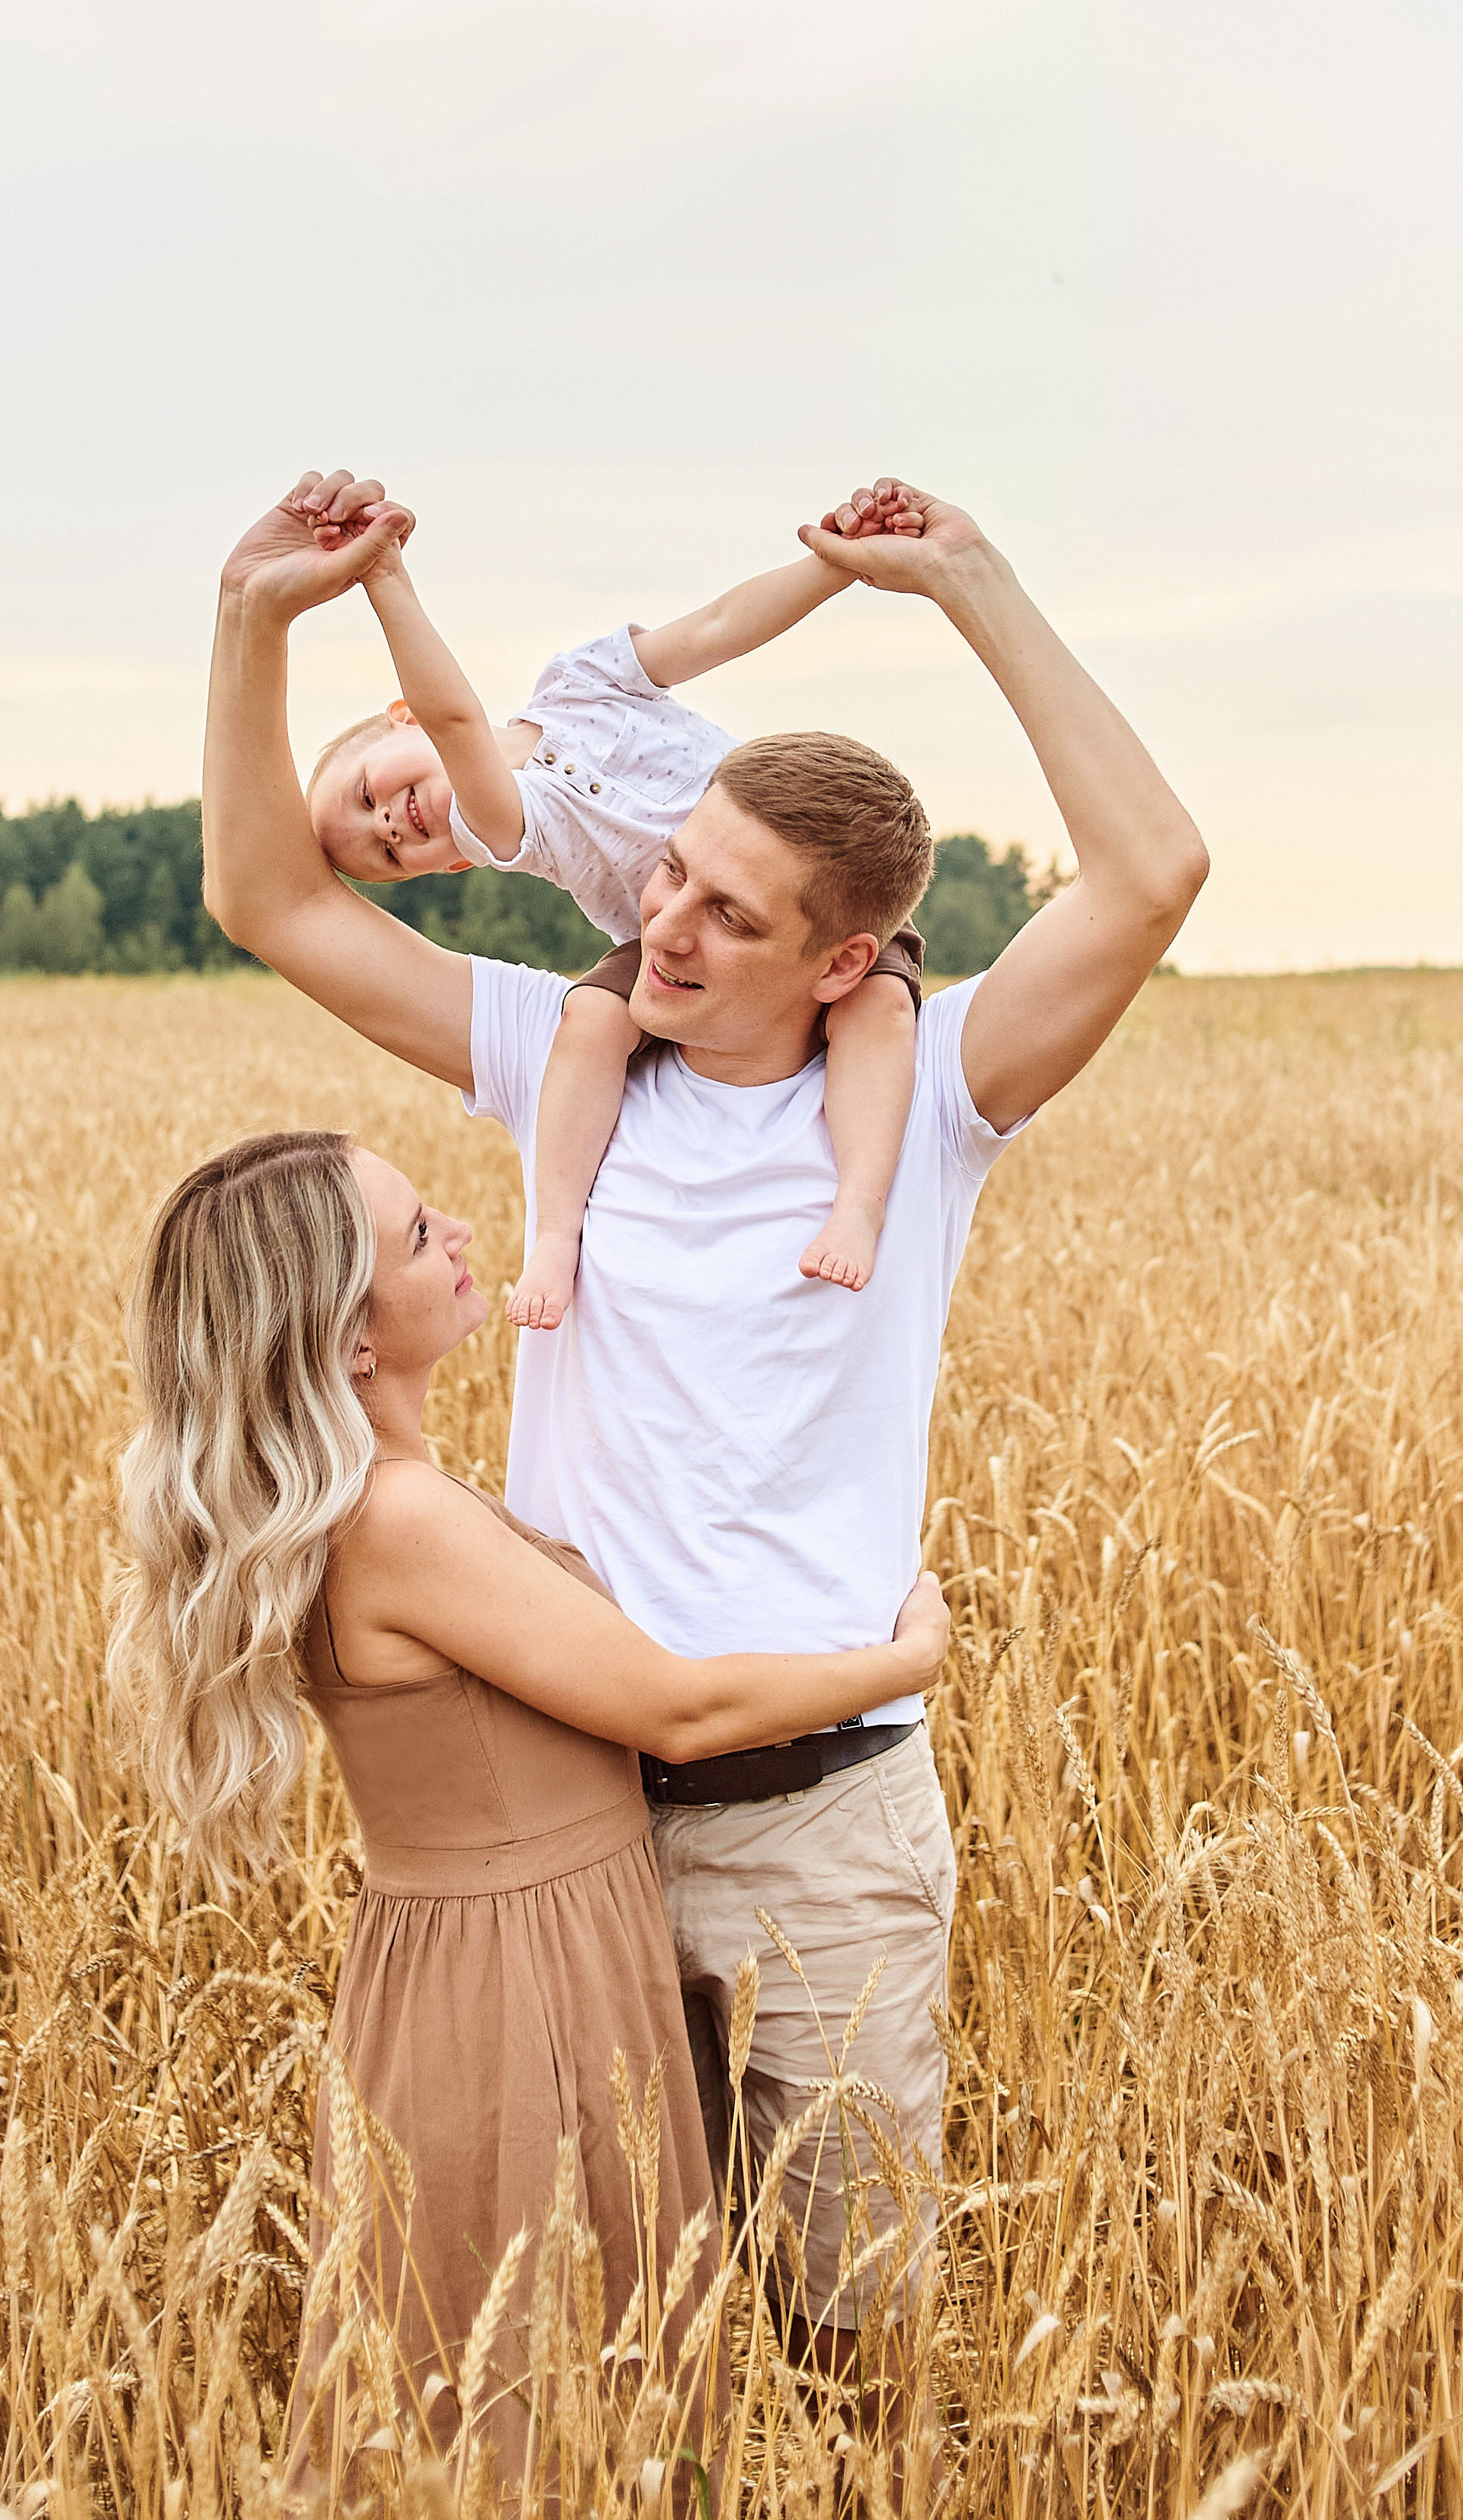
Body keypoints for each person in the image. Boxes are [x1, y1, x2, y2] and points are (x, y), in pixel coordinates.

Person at [198, 463, 1209, 2398]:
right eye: (668, 868)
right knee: (606, 2348)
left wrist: (972, 585)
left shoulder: (927, 1105)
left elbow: (1149, 871)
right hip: (573, 1823)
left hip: (827, 1825)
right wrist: (257, 620)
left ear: (848, 963)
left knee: (846, 2334)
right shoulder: (556, 1063)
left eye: (724, 912)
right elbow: (267, 893)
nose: (656, 922)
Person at [105, 1126, 953, 2484]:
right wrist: (897, 1664)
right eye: (418, 1230)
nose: (458, 1236)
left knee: (515, 2376)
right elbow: (672, 1707)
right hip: (521, 1972)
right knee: (533, 2390)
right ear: (349, 1340)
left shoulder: (359, 1508)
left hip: (471, 1951)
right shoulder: (398, 1522)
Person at [307, 507, 928, 1322]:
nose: (387, 825)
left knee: (879, 1005)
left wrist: (837, 567)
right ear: (456, 860)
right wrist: (384, 577)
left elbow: (717, 626)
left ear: (402, 716)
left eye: (363, 794)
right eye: (386, 856)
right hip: (666, 939)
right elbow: (459, 722)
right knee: (591, 1024)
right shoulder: (498, 821)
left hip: (811, 896)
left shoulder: (580, 679)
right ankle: (558, 1235)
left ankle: (859, 1204)